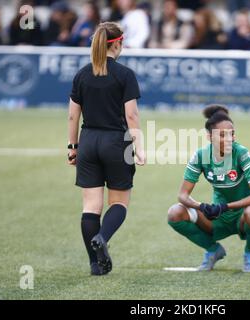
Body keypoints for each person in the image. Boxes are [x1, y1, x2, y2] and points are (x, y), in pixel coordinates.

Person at [68, 22, 145, 276]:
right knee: (119, 204)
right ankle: (102, 237)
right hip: (115, 142)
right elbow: (131, 116)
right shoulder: (124, 74)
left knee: (90, 207)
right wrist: (140, 147)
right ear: (118, 44)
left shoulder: (82, 74)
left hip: (88, 141)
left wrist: (73, 147)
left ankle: (95, 265)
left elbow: (72, 117)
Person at [167, 105, 250, 272]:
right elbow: (182, 195)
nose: (229, 139)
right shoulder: (201, 156)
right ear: (209, 137)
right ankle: (213, 250)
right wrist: (202, 207)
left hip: (243, 215)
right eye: (222, 135)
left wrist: (226, 206)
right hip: (219, 217)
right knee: (175, 213)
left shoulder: (242, 154)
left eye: (232, 134)